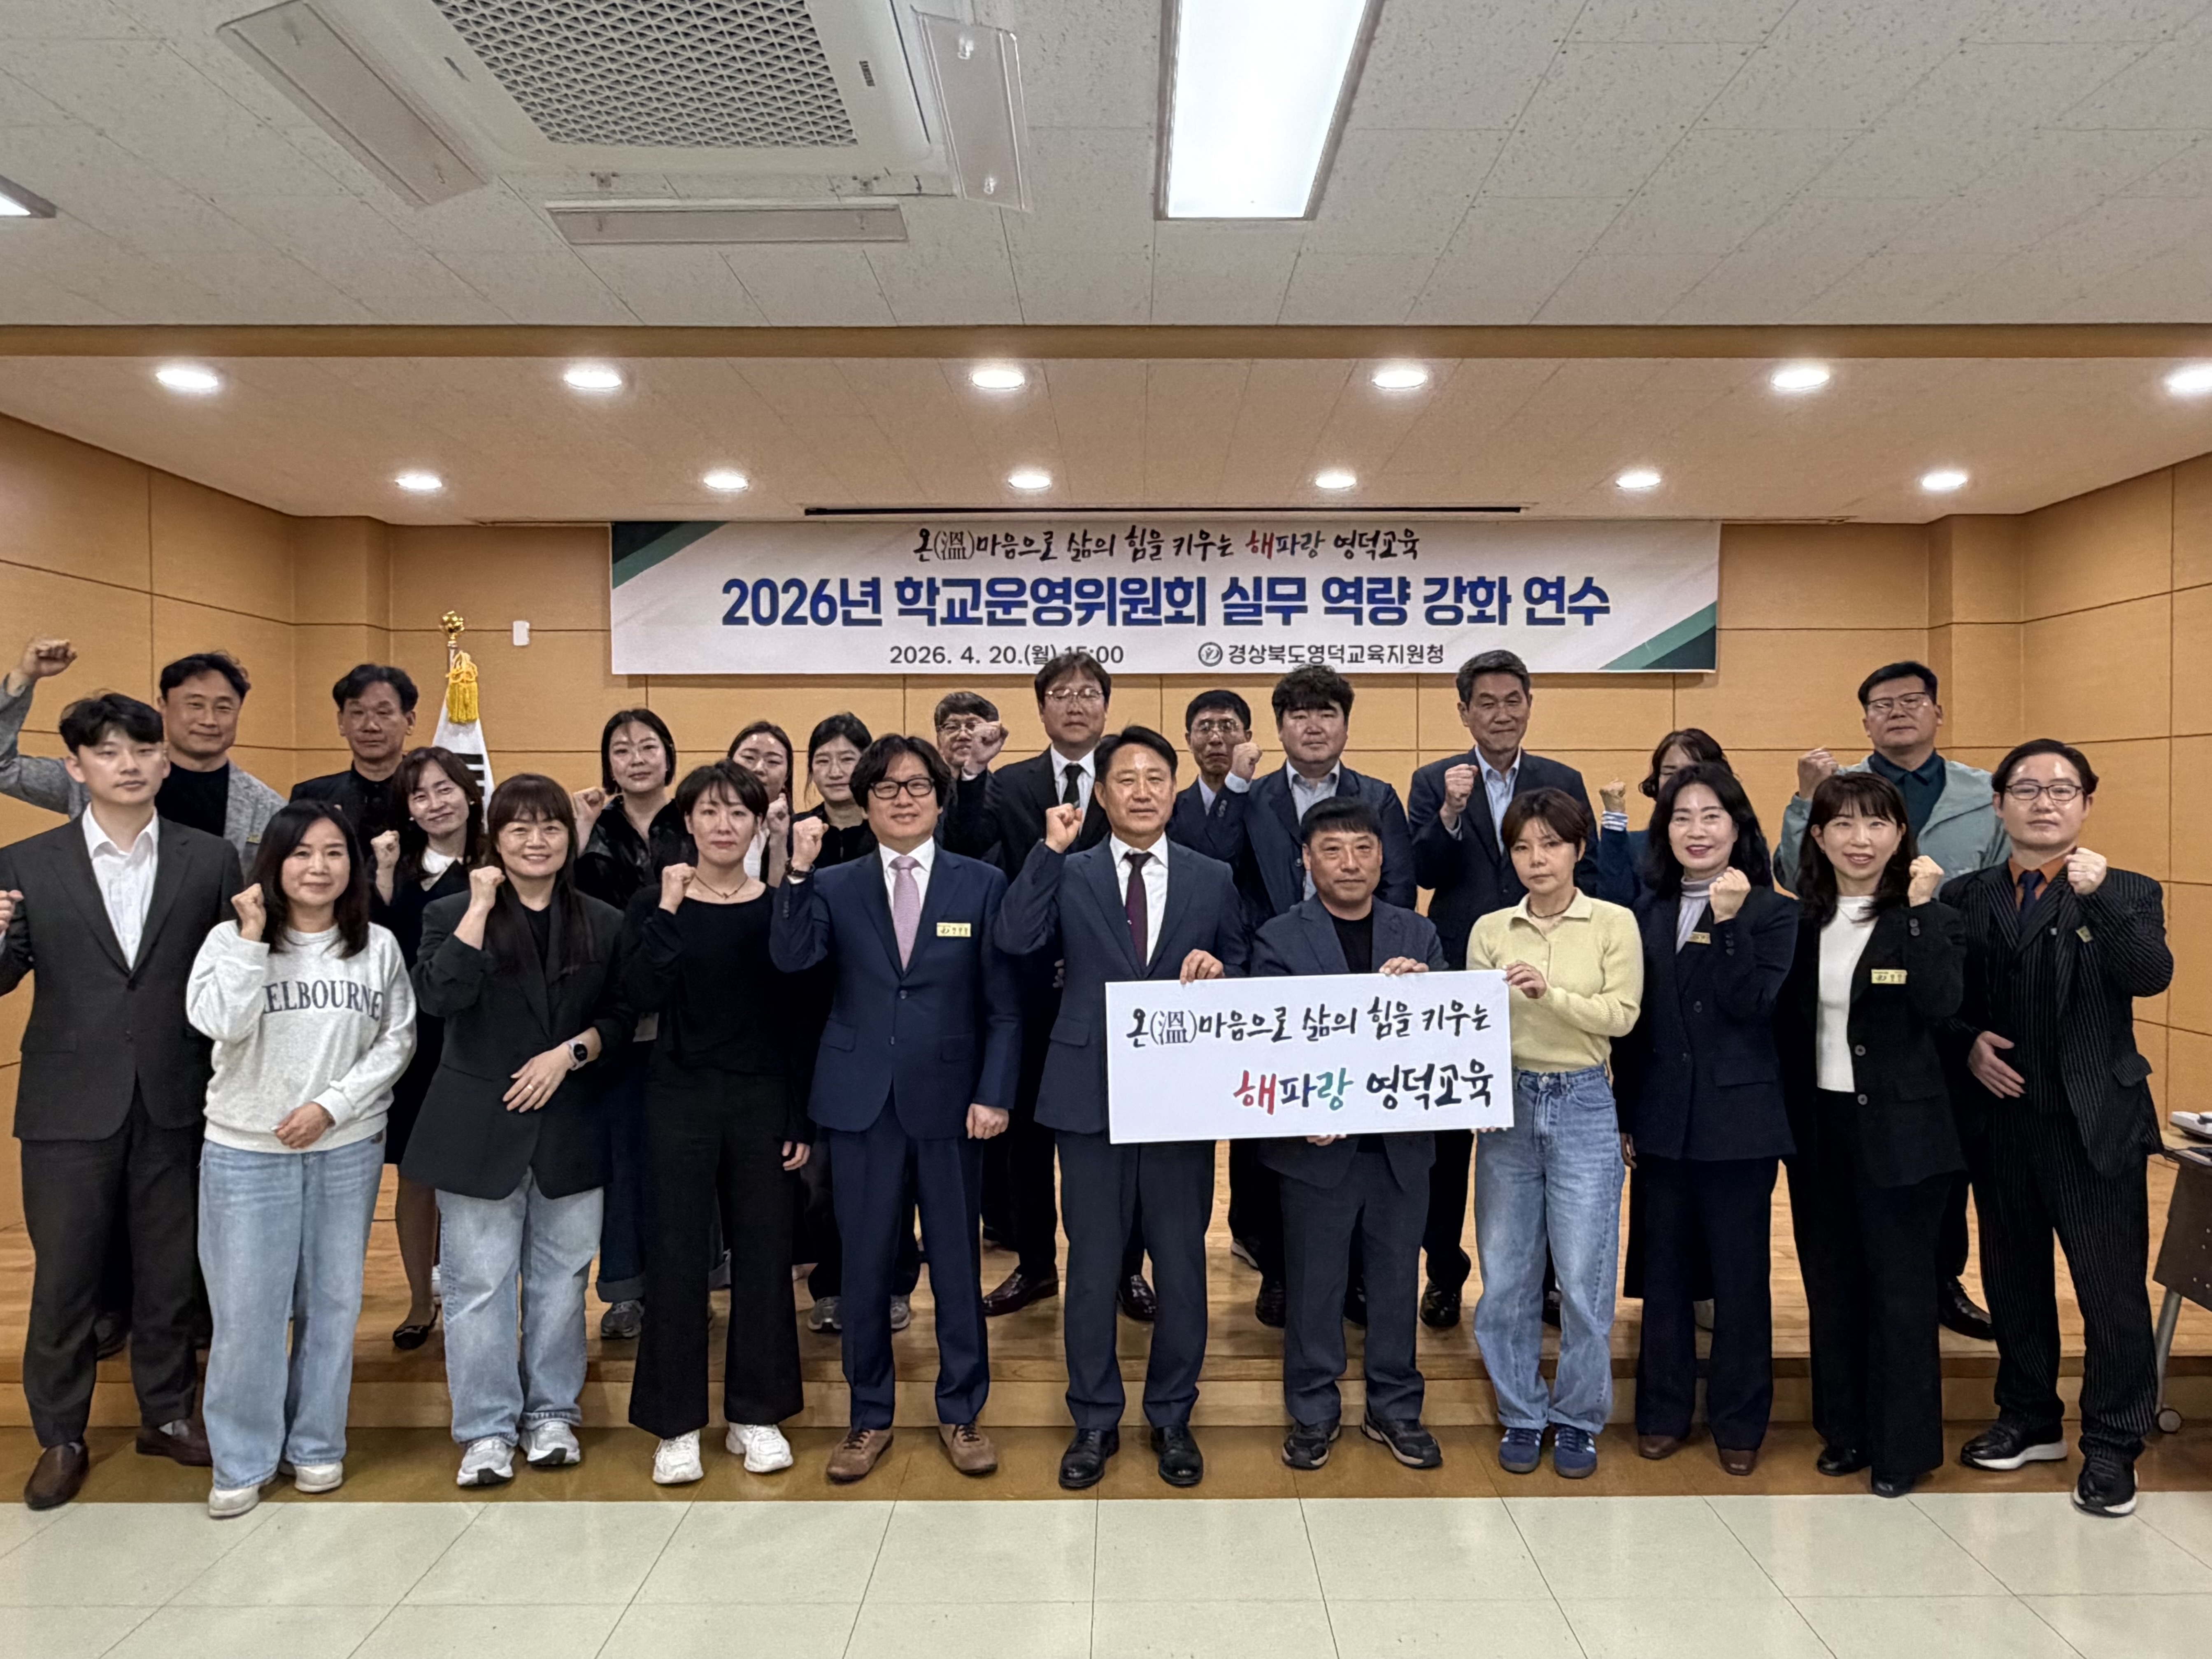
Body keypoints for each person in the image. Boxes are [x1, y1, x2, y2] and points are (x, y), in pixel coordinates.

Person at [0, 693, 240, 1510]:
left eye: (142, 749)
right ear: (75, 767)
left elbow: (231, 975)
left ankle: (166, 1413)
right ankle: (60, 1433)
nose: (128, 764)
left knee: (170, 1270)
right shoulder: (26, 863)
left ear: (165, 761)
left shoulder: (211, 860)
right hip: (67, 1104)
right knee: (66, 1276)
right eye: (106, 751)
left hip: (180, 1095)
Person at [996, 726, 1248, 1491]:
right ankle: (1094, 1418)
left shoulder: (1212, 875)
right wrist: (1048, 850)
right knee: (1093, 1263)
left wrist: (1221, 970)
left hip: (1179, 1094)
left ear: (1174, 791)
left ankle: (1171, 1414)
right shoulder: (1069, 871)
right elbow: (1015, 936)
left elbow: (1243, 963)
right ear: (1100, 794)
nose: (1142, 790)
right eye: (1125, 779)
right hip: (1089, 1092)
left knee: (1181, 1264)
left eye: (1155, 777)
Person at [772, 735, 1021, 1484]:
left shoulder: (981, 883)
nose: (903, 799)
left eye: (917, 786)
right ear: (865, 802)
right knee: (864, 1265)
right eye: (886, 788)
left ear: (940, 800)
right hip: (861, 1104)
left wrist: (995, 1090)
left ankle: (962, 1409)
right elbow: (791, 960)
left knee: (956, 1264)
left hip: (952, 1103)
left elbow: (1003, 1005)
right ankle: (868, 1415)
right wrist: (793, 873)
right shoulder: (833, 883)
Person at [1945, 740, 2172, 1519]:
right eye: (2026, 789)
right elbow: (1945, 999)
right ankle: (2029, 1416)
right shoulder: (1965, 895)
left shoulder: (2127, 890)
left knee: (2109, 1291)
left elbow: (2149, 974)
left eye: (2062, 789)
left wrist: (2098, 898)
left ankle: (2112, 1441)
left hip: (2093, 1123)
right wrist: (1966, 1043)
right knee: (2012, 1280)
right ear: (1998, 804)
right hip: (2000, 1120)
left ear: (2086, 804)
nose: (2044, 802)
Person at [401, 775, 631, 1488]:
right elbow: (438, 996)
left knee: (562, 1283)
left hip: (572, 1122)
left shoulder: (603, 919)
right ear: (494, 839)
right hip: (477, 1127)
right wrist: (478, 907)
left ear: (570, 836)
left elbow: (623, 1018)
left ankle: (553, 1414)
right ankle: (486, 1429)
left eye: (551, 826)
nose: (537, 841)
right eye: (519, 828)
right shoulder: (450, 912)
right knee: (477, 1285)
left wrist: (570, 1054)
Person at [186, 803, 415, 1517]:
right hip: (246, 1153)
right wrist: (253, 939)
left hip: (345, 1149)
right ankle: (243, 1457)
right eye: (302, 853)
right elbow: (218, 1023)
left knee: (333, 1302)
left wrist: (331, 1107)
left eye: (334, 853)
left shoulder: (376, 945)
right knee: (247, 1311)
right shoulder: (229, 939)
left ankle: (316, 1442)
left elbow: (397, 1040)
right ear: (274, 863)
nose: (319, 867)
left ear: (354, 864)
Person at [1778, 659, 2008, 1344]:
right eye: (1883, 704)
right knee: (1843, 1245)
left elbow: (1996, 894)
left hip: (1950, 983)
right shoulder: (1836, 792)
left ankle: (1944, 1279)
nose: (1898, 712)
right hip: (1853, 1030)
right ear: (1864, 720)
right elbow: (1794, 875)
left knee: (1930, 1179)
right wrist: (1804, 800)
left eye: (1912, 700)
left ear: (1938, 711)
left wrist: (1927, 920)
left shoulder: (1981, 791)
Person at [622, 761, 809, 1485]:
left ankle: (755, 1414)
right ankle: (675, 1425)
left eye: (738, 812)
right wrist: (669, 910)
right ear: (688, 822)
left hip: (762, 1097)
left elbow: (797, 1018)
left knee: (764, 1256)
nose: (723, 825)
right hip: (677, 1096)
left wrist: (798, 1113)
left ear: (760, 824)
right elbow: (640, 992)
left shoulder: (780, 906)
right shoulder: (655, 902)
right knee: (675, 1260)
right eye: (709, 811)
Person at [1777, 773, 1962, 1498]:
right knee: (1831, 1283)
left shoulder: (1928, 916)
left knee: (1901, 1292)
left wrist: (1918, 912)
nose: (1861, 840)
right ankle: (1845, 1429)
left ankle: (1902, 1447)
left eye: (1877, 824)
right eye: (1844, 825)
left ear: (1900, 835)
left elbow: (1941, 1002)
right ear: (1818, 837)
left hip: (1903, 1131)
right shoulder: (1800, 921)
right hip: (1819, 1128)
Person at [1252, 796, 1447, 1472]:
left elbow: (1446, 1033)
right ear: (1306, 861)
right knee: (1315, 1286)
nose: (1350, 862)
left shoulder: (1416, 933)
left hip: (1399, 1148)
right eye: (1332, 850)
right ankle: (1313, 1408)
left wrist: (1427, 991)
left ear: (1382, 856)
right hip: (1316, 1148)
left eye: (1363, 848)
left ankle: (1395, 1406)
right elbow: (1268, 1044)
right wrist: (1298, 1110)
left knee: (1395, 1282)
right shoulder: (1279, 937)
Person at [1409, 650, 1599, 1332]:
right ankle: (1443, 1273)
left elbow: (1588, 872)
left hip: (1539, 978)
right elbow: (1420, 869)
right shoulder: (1433, 780)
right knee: (1446, 1143)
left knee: (1534, 1134)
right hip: (1457, 974)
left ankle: (1542, 1280)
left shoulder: (1561, 779)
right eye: (1485, 702)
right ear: (1464, 712)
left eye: (1512, 699)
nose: (1500, 713)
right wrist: (1451, 812)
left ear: (1528, 704)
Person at [1613, 765, 1796, 1476]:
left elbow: (1751, 1005)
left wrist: (1726, 923)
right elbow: (1633, 1026)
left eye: (1711, 815)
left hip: (1738, 1122)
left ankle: (1739, 1421)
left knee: (1739, 1278)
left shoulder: (1773, 912)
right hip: (1661, 1118)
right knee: (1663, 1275)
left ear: (1737, 826)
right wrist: (1627, 1112)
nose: (1696, 830)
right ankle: (1660, 1412)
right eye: (1681, 817)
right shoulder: (1645, 910)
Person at [1231, 665, 1415, 1327]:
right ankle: (1278, 1270)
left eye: (1326, 713)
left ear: (1345, 723)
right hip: (1275, 975)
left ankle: (1357, 1277)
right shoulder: (1252, 795)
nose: (1313, 726)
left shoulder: (1378, 795)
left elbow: (1397, 884)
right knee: (1274, 1132)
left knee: (1356, 1134)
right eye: (1299, 714)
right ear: (1279, 726)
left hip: (1362, 980)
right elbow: (1226, 877)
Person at [1466, 787, 1641, 1480]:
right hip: (1506, 1101)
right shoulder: (1490, 928)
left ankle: (1577, 1416)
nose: (1536, 858)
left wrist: (1550, 994)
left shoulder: (1612, 922)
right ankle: (1520, 1410)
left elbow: (1621, 1014)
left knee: (1583, 1275)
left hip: (1584, 1100)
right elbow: (1472, 1023)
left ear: (1578, 849)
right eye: (1522, 846)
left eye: (1551, 844)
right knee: (1506, 1274)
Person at [952, 652, 1125, 1321]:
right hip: (1028, 981)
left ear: (1105, 705)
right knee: (1025, 1138)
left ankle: (1123, 1269)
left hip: (1113, 981)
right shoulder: (1010, 781)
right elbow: (966, 843)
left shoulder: (1128, 774)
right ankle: (1034, 1263)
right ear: (1041, 707)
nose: (1075, 703)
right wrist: (973, 772)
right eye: (1061, 693)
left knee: (1119, 1133)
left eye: (1088, 692)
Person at [787, 714, 922, 1338]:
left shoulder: (897, 839)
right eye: (823, 759)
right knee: (826, 1177)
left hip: (897, 1032)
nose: (835, 769)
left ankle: (894, 1280)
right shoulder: (800, 837)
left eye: (848, 758)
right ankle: (834, 1282)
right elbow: (789, 943)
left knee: (897, 1174)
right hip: (821, 1028)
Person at [570, 709, 685, 1341]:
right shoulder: (593, 826)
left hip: (685, 1009)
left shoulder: (692, 817)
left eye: (647, 746)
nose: (635, 758)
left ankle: (688, 1284)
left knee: (683, 1159)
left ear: (668, 754)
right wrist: (580, 831)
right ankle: (623, 1289)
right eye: (621, 748)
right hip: (611, 1010)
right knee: (622, 1157)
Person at [369, 748, 482, 1350]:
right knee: (416, 1176)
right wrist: (383, 877)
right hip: (413, 1044)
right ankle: (419, 1300)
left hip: (479, 1039)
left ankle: (475, 1298)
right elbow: (375, 948)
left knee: (475, 1179)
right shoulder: (396, 868)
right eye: (420, 794)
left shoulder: (496, 861)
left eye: (445, 788)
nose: (435, 803)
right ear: (408, 809)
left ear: (469, 793)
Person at [0, 638, 284, 877]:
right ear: (162, 706)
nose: (209, 720)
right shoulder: (101, 777)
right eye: (195, 705)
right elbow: (4, 768)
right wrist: (23, 679)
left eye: (224, 708)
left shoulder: (267, 807)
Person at [1594, 728, 1728, 907]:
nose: (1681, 781)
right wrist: (1614, 820)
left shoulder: (1733, 840)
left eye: (1693, 771)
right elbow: (1613, 905)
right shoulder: (1635, 846)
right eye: (1670, 773)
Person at [292, 664, 419, 845]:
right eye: (358, 713)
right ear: (341, 723)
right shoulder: (311, 797)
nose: (370, 726)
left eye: (383, 713)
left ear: (410, 722)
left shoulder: (431, 797)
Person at [1168, 689, 1260, 865]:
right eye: (1205, 728)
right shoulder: (1171, 809)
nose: (1215, 739)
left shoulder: (1267, 804)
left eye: (1227, 727)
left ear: (1247, 738)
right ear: (1189, 741)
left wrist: (1237, 782)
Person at [727, 719, 794, 885]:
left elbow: (784, 897)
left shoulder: (798, 833)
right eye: (749, 758)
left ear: (787, 775)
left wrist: (779, 840)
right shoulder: (706, 825)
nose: (759, 769)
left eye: (773, 762)